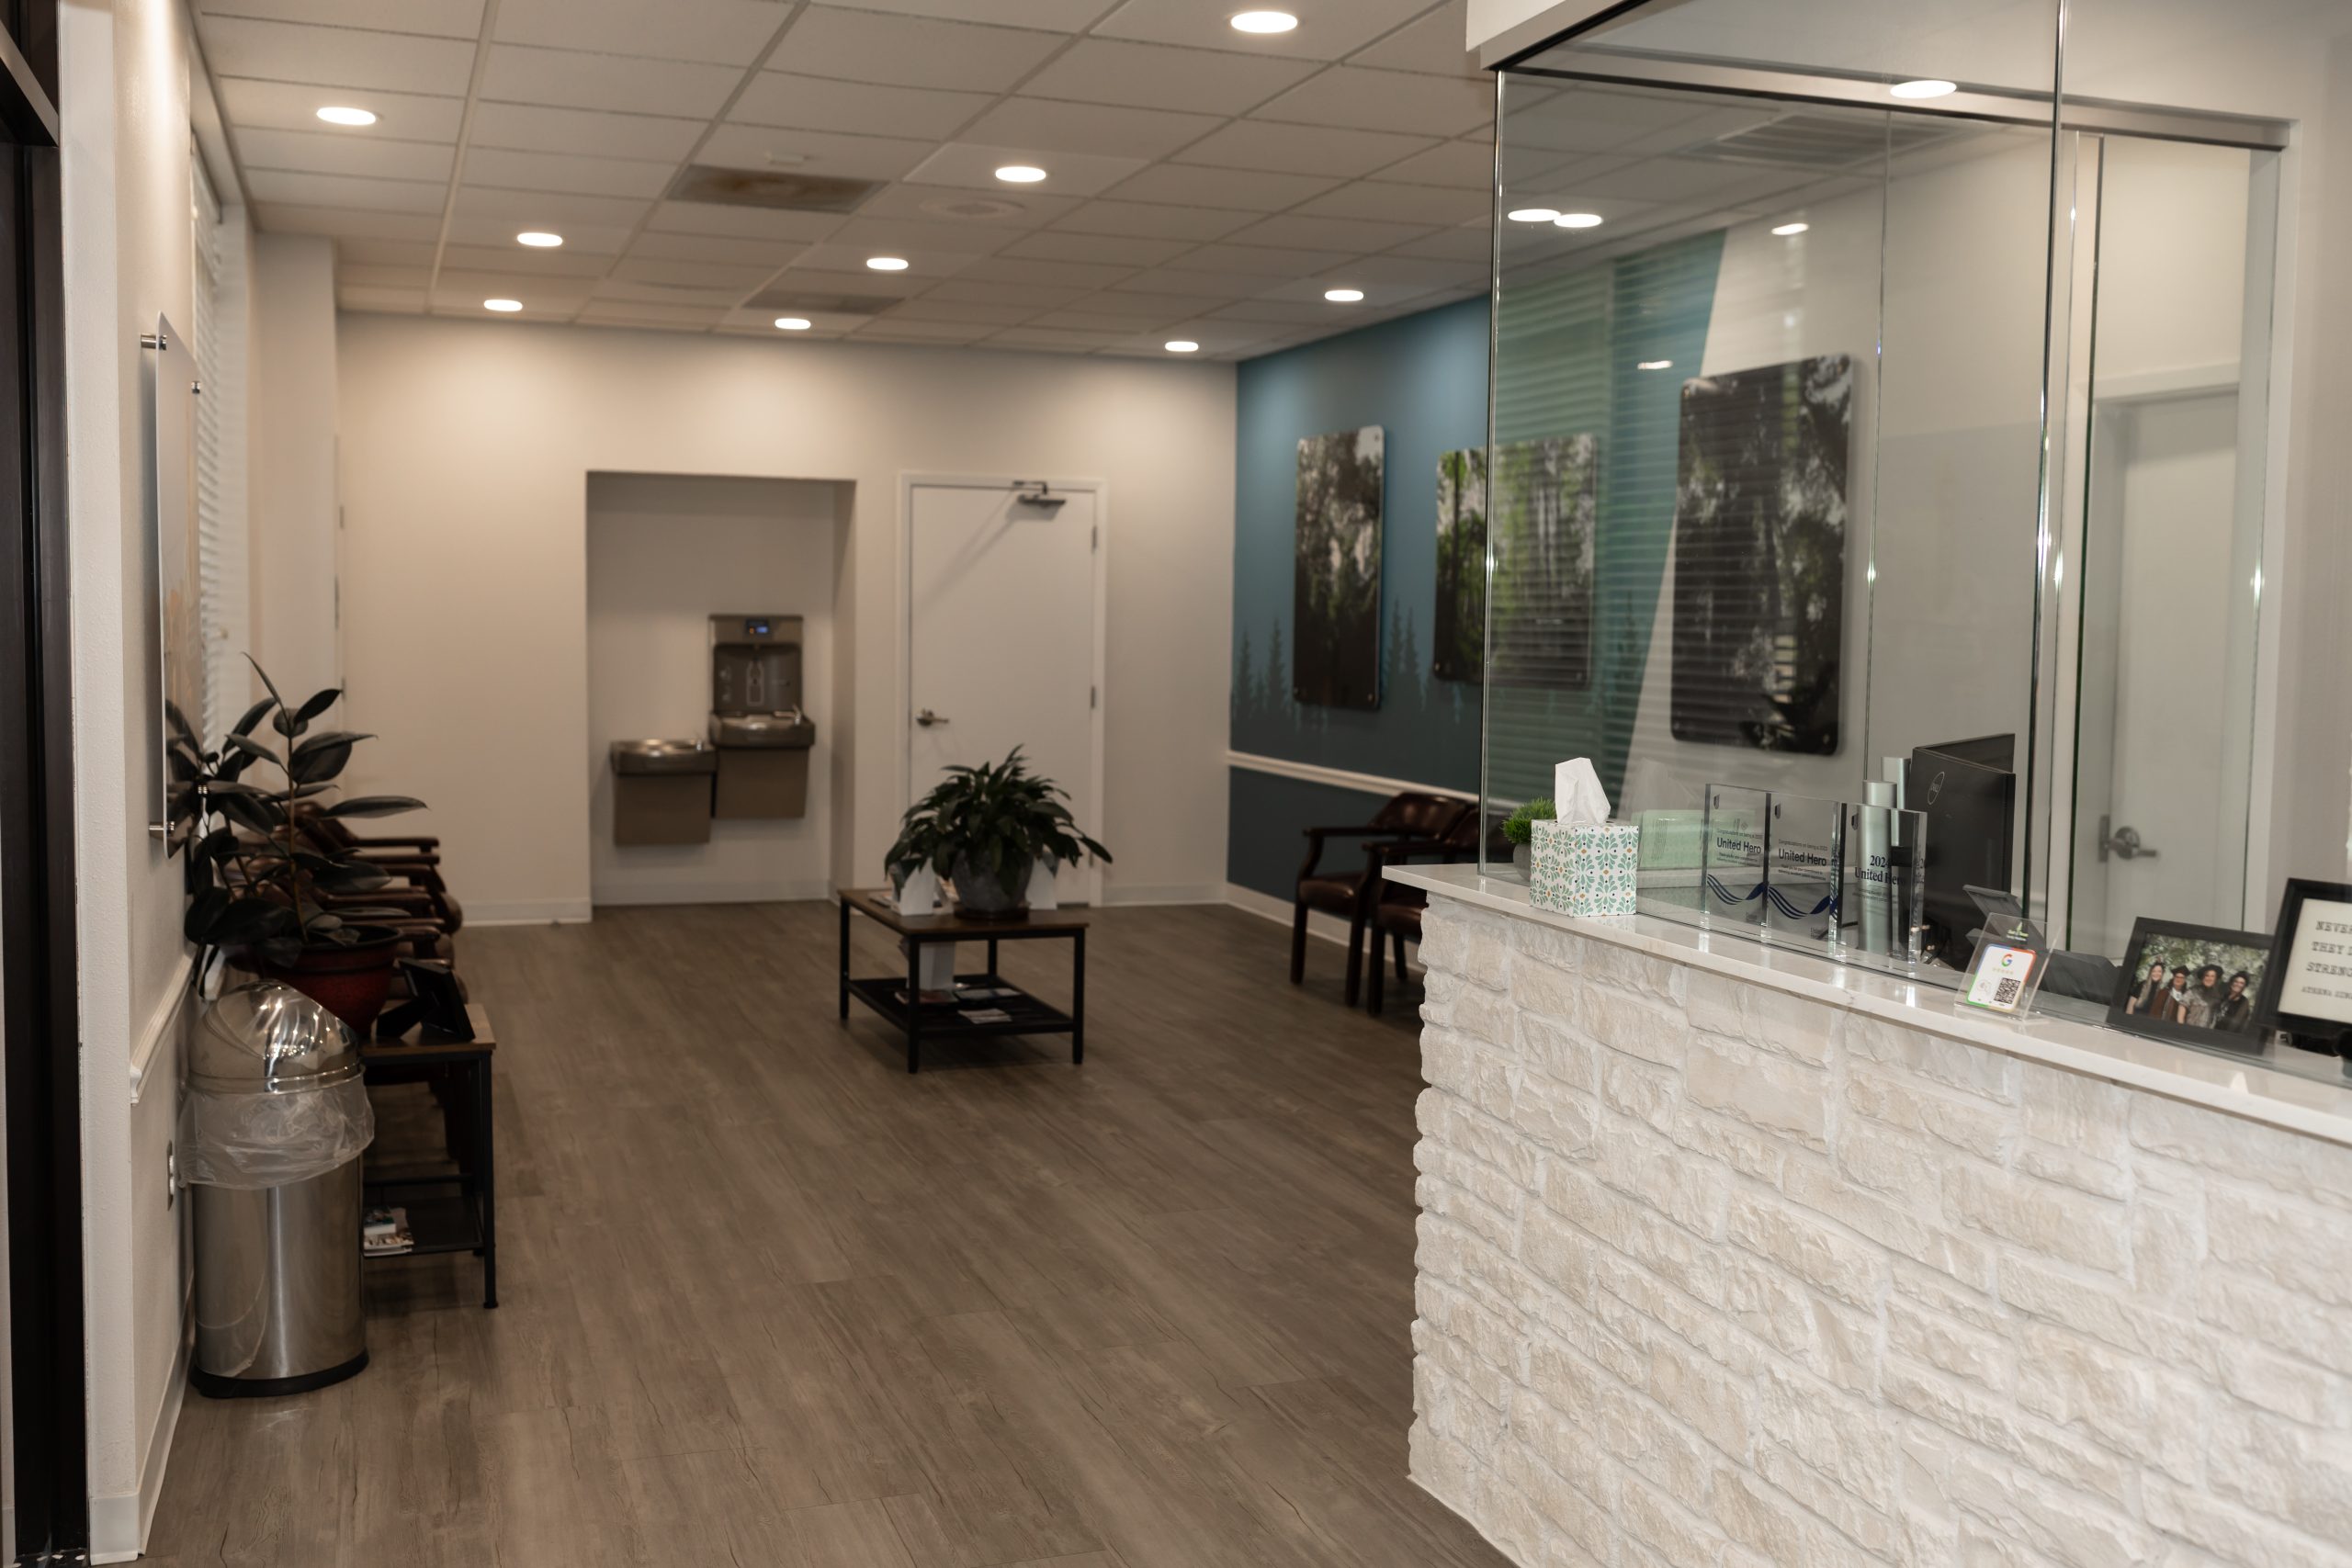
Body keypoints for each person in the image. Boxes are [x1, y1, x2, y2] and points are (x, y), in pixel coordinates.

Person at [2184, 964, 2225, 1030]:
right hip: (2188, 1029)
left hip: (2205, 1032)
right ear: (2203, 977)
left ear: (2215, 979)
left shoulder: (2217, 998)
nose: (2209, 978)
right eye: (2207, 975)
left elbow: (2215, 1019)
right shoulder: (2192, 992)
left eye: (2212, 976)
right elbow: (2181, 1011)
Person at [2217, 970, 2256, 1034]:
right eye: (2236, 981)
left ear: (2244, 986)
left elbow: (2238, 1024)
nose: (2238, 984)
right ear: (2232, 983)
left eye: (2241, 983)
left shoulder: (2244, 1002)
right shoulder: (2223, 996)